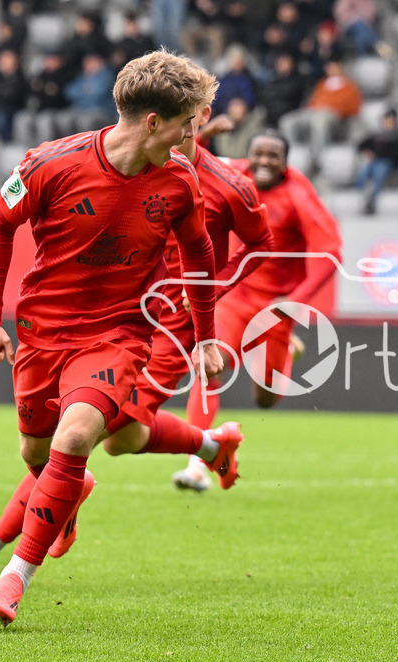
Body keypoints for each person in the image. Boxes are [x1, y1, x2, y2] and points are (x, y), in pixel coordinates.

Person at [0, 51, 227, 626]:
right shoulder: (52, 162)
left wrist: (205, 337)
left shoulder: (179, 179)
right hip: (43, 331)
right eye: (187, 122)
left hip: (118, 332)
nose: (194, 133)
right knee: (37, 455)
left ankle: (12, 579)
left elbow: (198, 254)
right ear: (152, 122)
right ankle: (67, 495)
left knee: (77, 436)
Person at [99, 104, 273, 472]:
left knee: (84, 427)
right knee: (120, 440)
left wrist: (215, 287)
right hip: (123, 311)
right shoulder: (138, 168)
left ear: (203, 114)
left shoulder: (230, 186)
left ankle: (24, 527)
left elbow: (261, 243)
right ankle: (213, 445)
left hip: (174, 328)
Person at [173, 129, 342, 490]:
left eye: (273, 156)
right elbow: (189, 156)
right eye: (258, 154)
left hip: (275, 311)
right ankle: (198, 463)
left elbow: (330, 256)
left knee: (265, 399)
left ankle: (287, 353)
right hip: (235, 295)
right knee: (206, 364)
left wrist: (295, 301)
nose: (264, 162)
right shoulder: (235, 172)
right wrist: (208, 131)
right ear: (247, 156)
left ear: (285, 162)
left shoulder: (299, 196)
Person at [354, 107, 398, 214]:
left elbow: (397, 156)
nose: (387, 123)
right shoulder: (377, 136)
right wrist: (367, 152)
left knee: (379, 170)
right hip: (375, 163)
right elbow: (360, 145)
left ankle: (372, 201)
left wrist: (377, 155)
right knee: (363, 171)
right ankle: (357, 197)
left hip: (389, 165)